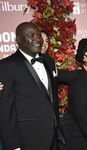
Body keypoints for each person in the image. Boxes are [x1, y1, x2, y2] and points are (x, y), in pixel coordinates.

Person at [0, 22, 64, 150]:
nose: (37, 39)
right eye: (31, 35)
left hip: (53, 136)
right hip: (27, 139)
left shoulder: (48, 61)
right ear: (18, 40)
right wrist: (13, 145)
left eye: (38, 35)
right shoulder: (6, 66)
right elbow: (5, 110)